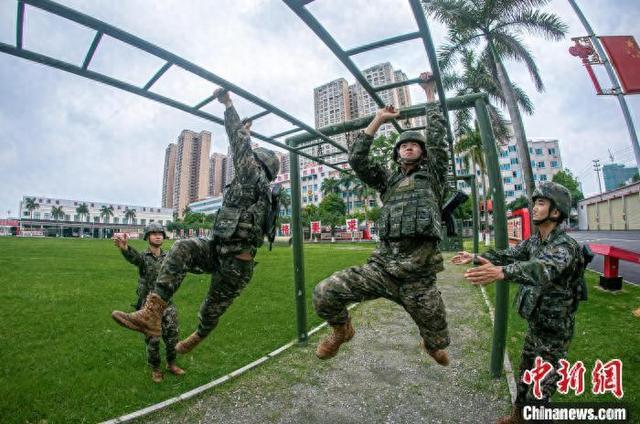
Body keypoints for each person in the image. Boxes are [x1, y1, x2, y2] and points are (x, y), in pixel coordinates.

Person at [112, 89, 280, 354]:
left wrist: (228, 105)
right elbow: (242, 150)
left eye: (251, 159)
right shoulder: (252, 183)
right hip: (217, 249)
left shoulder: (254, 179)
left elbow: (239, 147)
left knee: (211, 309)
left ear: (260, 165)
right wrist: (245, 135)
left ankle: (198, 336)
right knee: (183, 247)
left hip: (237, 264)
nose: (245, 161)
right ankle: (151, 314)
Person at [312, 72, 451, 365]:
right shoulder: (388, 181)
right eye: (403, 145)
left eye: (415, 144)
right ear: (397, 153)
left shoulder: (434, 178)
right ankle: (341, 331)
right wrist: (378, 120)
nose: (409, 146)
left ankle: (430, 343)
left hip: (418, 277)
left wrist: (430, 95)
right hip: (382, 270)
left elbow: (438, 139)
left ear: (423, 153)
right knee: (325, 293)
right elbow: (357, 161)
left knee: (440, 342)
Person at [452, 182, 586, 424]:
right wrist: (476, 257)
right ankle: (517, 418)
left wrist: (501, 272)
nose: (534, 207)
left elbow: (541, 268)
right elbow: (509, 255)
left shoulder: (565, 246)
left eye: (541, 203)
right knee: (525, 375)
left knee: (541, 389)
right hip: (536, 324)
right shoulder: (535, 241)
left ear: (555, 212)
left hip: (555, 331)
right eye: (534, 202)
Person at [113, 223, 185, 383]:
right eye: (153, 233)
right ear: (147, 237)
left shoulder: (169, 257)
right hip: (149, 305)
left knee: (172, 335)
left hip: (167, 303)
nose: (158, 235)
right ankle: (156, 369)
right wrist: (125, 248)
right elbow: (134, 258)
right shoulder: (144, 257)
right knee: (153, 339)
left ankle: (171, 364)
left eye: (160, 233)